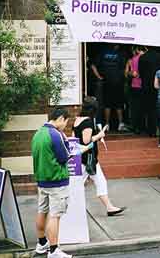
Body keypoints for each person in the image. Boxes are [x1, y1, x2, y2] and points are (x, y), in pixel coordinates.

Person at [73, 97, 125, 216]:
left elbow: (75, 138)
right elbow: (86, 141)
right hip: (88, 158)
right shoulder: (88, 122)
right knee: (84, 184)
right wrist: (99, 135)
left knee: (97, 181)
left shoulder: (77, 120)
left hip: (82, 157)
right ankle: (109, 207)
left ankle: (109, 207)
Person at [31, 108, 73, 258]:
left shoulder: (37, 134)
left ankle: (42, 243)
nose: (65, 126)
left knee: (42, 211)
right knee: (55, 215)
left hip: (42, 180)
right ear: (61, 118)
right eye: (66, 122)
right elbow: (64, 157)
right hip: (57, 181)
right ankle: (54, 250)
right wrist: (67, 143)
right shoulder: (56, 135)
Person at [91, 44, 126, 131]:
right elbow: (126, 67)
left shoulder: (103, 52)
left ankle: (107, 125)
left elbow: (93, 65)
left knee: (107, 104)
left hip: (108, 82)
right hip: (117, 82)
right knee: (118, 104)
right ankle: (120, 124)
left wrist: (98, 76)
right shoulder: (121, 54)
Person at [139, 47, 160, 137]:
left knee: (149, 109)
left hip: (147, 86)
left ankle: (151, 130)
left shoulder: (142, 58)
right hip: (159, 85)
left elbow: (140, 73)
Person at [125, 46, 146, 134]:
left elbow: (126, 74)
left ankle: (136, 127)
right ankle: (143, 127)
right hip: (144, 85)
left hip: (135, 85)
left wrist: (132, 73)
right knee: (144, 107)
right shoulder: (145, 59)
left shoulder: (132, 60)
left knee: (135, 107)